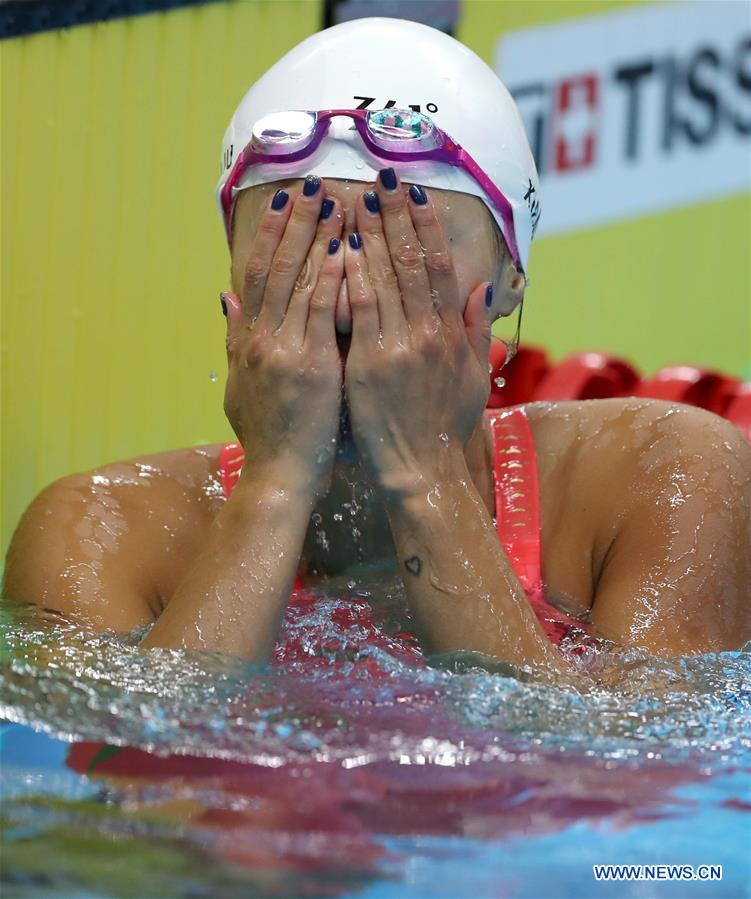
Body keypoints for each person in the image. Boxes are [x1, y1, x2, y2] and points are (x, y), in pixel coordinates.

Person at [3, 18, 750, 677]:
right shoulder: (101, 535)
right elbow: (130, 781)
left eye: (406, 250)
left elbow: (629, 780)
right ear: (237, 274)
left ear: (509, 277)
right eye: (302, 244)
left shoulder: (664, 477)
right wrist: (274, 485)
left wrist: (426, 476)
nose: (351, 293)